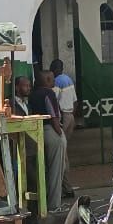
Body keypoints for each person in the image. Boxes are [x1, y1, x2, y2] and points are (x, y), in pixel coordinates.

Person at [9, 76, 45, 224]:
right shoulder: (11, 105)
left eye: (29, 86)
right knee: (27, 186)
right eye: (25, 86)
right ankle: (29, 223)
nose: (28, 88)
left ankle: (30, 222)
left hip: (30, 151)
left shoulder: (26, 104)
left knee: (33, 185)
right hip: (19, 152)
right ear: (17, 87)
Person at [30, 71, 68, 213]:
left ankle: (46, 203)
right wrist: (59, 133)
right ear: (46, 80)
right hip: (51, 131)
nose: (54, 81)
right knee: (56, 169)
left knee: (45, 169)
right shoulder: (49, 93)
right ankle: (54, 205)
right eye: (51, 79)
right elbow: (54, 115)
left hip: (37, 132)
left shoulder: (33, 94)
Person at [51, 59, 77, 198]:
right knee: (64, 151)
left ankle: (66, 187)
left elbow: (53, 102)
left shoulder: (56, 82)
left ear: (54, 69)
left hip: (62, 118)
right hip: (70, 116)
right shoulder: (68, 79)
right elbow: (75, 101)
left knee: (61, 155)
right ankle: (66, 186)